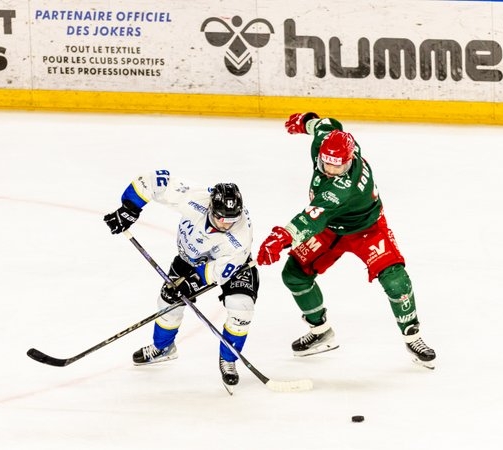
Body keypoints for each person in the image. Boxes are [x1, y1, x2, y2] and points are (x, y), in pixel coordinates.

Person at [256, 113, 436, 369]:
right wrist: (308, 121)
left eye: (338, 166)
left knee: (396, 280)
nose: (331, 170)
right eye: (327, 164)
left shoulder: (343, 186)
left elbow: (312, 217)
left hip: (367, 229)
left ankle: (413, 337)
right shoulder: (329, 142)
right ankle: (320, 331)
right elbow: (326, 124)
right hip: (331, 229)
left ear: (350, 160)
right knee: (295, 274)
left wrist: (282, 236)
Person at [103, 169, 260, 391]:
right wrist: (129, 208)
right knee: (167, 302)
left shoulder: (240, 238)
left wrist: (190, 285)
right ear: (211, 207)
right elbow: (153, 181)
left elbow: (217, 272)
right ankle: (164, 348)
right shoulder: (195, 197)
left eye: (232, 219)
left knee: (242, 308)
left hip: (233, 267)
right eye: (221, 218)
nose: (226, 224)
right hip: (189, 259)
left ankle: (229, 359)